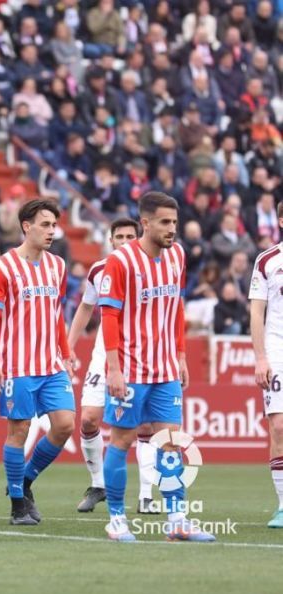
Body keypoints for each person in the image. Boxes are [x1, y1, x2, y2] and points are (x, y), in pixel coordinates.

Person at [99, 192, 214, 542]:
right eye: (165, 222)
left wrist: (179, 355)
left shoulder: (177, 255)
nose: (172, 229)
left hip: (165, 370)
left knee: (171, 443)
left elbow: (176, 308)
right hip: (131, 370)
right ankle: (116, 519)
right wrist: (114, 369)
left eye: (175, 222)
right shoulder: (120, 262)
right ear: (145, 223)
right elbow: (109, 316)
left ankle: (177, 519)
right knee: (121, 440)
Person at [0, 199, 75, 526]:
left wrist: (65, 352)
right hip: (17, 365)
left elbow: (57, 313)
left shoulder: (58, 266)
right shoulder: (3, 267)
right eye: (45, 224)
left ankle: (24, 481)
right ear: (26, 226)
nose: (52, 231)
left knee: (65, 425)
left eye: (54, 225)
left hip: (51, 364)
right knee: (18, 431)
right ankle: (18, 507)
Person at [68, 218, 160, 514]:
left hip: (142, 353)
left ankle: (146, 494)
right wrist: (68, 346)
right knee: (89, 420)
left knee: (143, 425)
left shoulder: (153, 266)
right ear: (111, 241)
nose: (123, 240)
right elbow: (86, 307)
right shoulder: (99, 270)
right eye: (118, 236)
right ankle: (98, 485)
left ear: (139, 236)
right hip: (103, 354)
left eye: (129, 236)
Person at [249, 199, 283, 529]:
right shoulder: (268, 260)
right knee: (279, 426)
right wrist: (261, 357)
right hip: (277, 349)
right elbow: (256, 312)